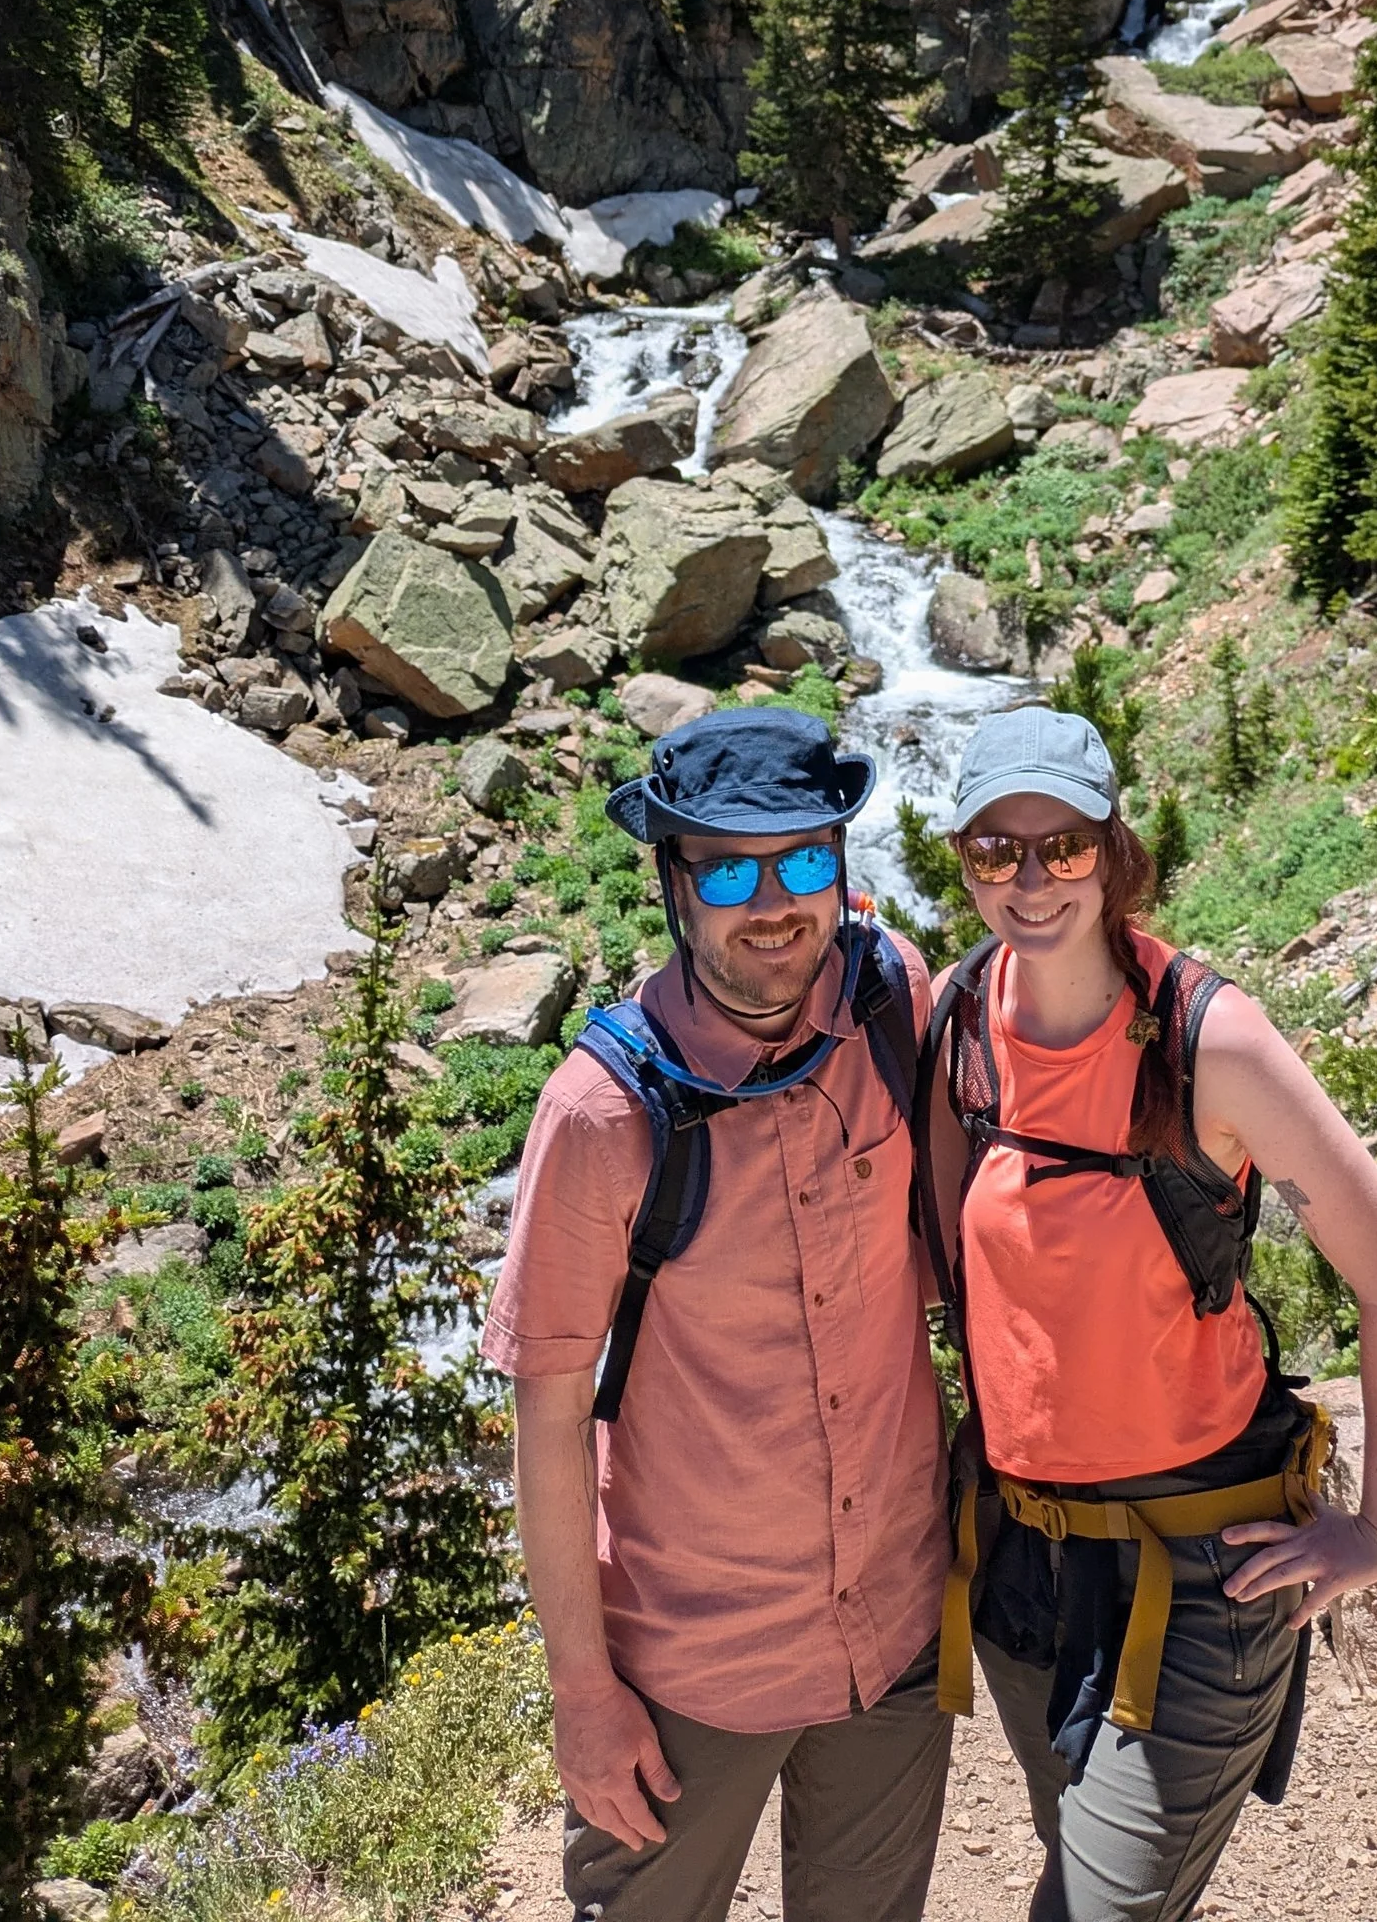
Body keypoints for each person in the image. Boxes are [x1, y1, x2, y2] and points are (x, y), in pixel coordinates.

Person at [915, 702, 1377, 1922]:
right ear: (966, 861)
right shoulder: (957, 1023)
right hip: (1023, 1563)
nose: (1031, 877)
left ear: (1113, 847)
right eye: (998, 848)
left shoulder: (1214, 1043)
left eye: (1064, 845)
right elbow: (947, 1266)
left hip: (1204, 1568)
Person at [480, 702, 952, 1922]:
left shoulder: (888, 999)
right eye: (731, 867)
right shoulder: (603, 1113)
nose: (774, 901)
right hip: (689, 1664)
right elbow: (545, 1411)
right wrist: (581, 1688)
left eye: (805, 859)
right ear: (674, 879)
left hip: (891, 1625)